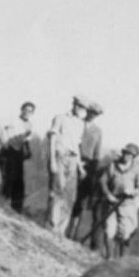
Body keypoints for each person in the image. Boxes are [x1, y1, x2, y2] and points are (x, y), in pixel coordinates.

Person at [44, 95, 84, 236]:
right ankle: (52, 225)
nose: (80, 109)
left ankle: (61, 229)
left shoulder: (80, 124)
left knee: (70, 195)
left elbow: (77, 145)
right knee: (57, 191)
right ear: (73, 104)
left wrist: (79, 165)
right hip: (60, 156)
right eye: (78, 106)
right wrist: (52, 161)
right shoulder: (60, 118)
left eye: (83, 107)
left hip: (73, 159)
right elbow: (52, 138)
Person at [98, 143, 139, 258]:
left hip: (128, 204)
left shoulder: (137, 169)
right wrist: (108, 194)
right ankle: (109, 259)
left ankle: (121, 262)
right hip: (112, 202)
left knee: (125, 234)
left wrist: (133, 191)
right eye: (125, 153)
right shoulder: (113, 165)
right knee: (109, 231)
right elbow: (103, 181)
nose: (126, 156)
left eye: (129, 154)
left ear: (134, 156)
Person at [69, 101, 103, 245]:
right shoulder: (76, 123)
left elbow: (97, 153)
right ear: (87, 111)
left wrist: (93, 172)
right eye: (90, 112)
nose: (92, 115)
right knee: (68, 194)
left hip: (88, 166)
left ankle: (72, 233)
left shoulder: (97, 131)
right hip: (72, 160)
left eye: (95, 114)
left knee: (80, 200)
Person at [0, 102, 35, 213]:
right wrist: (3, 142)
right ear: (21, 109)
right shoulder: (12, 119)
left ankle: (15, 210)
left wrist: (28, 151)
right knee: (8, 178)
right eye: (26, 109)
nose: (27, 112)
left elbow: (26, 141)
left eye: (30, 111)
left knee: (19, 182)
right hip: (7, 151)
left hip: (18, 153)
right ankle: (0, 204)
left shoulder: (29, 126)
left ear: (32, 113)